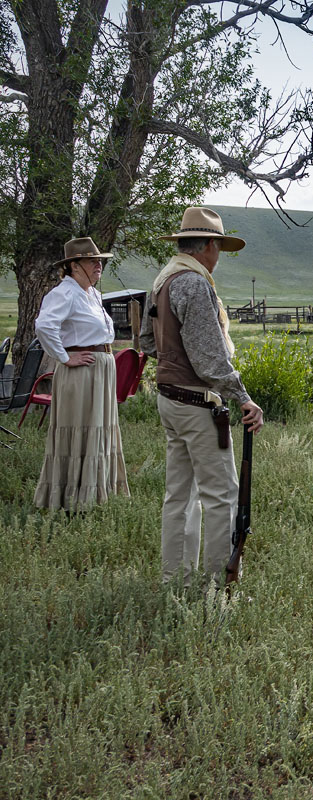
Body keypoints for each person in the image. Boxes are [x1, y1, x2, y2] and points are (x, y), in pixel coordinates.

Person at [139, 207, 264, 587]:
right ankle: (216, 585)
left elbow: (146, 341)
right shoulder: (194, 283)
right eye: (219, 247)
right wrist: (242, 397)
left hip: (170, 397)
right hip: (196, 402)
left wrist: (177, 359)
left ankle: (175, 579)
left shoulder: (163, 280)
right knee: (222, 496)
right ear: (209, 245)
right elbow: (210, 358)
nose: (219, 256)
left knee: (179, 495)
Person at [32, 237, 129, 511]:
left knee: (99, 427)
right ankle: (74, 498)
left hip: (100, 370)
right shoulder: (65, 293)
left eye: (100, 260)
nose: (98, 265)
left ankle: (98, 492)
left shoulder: (93, 295)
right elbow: (44, 326)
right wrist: (64, 356)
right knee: (80, 427)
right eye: (91, 260)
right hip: (82, 371)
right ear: (74, 265)